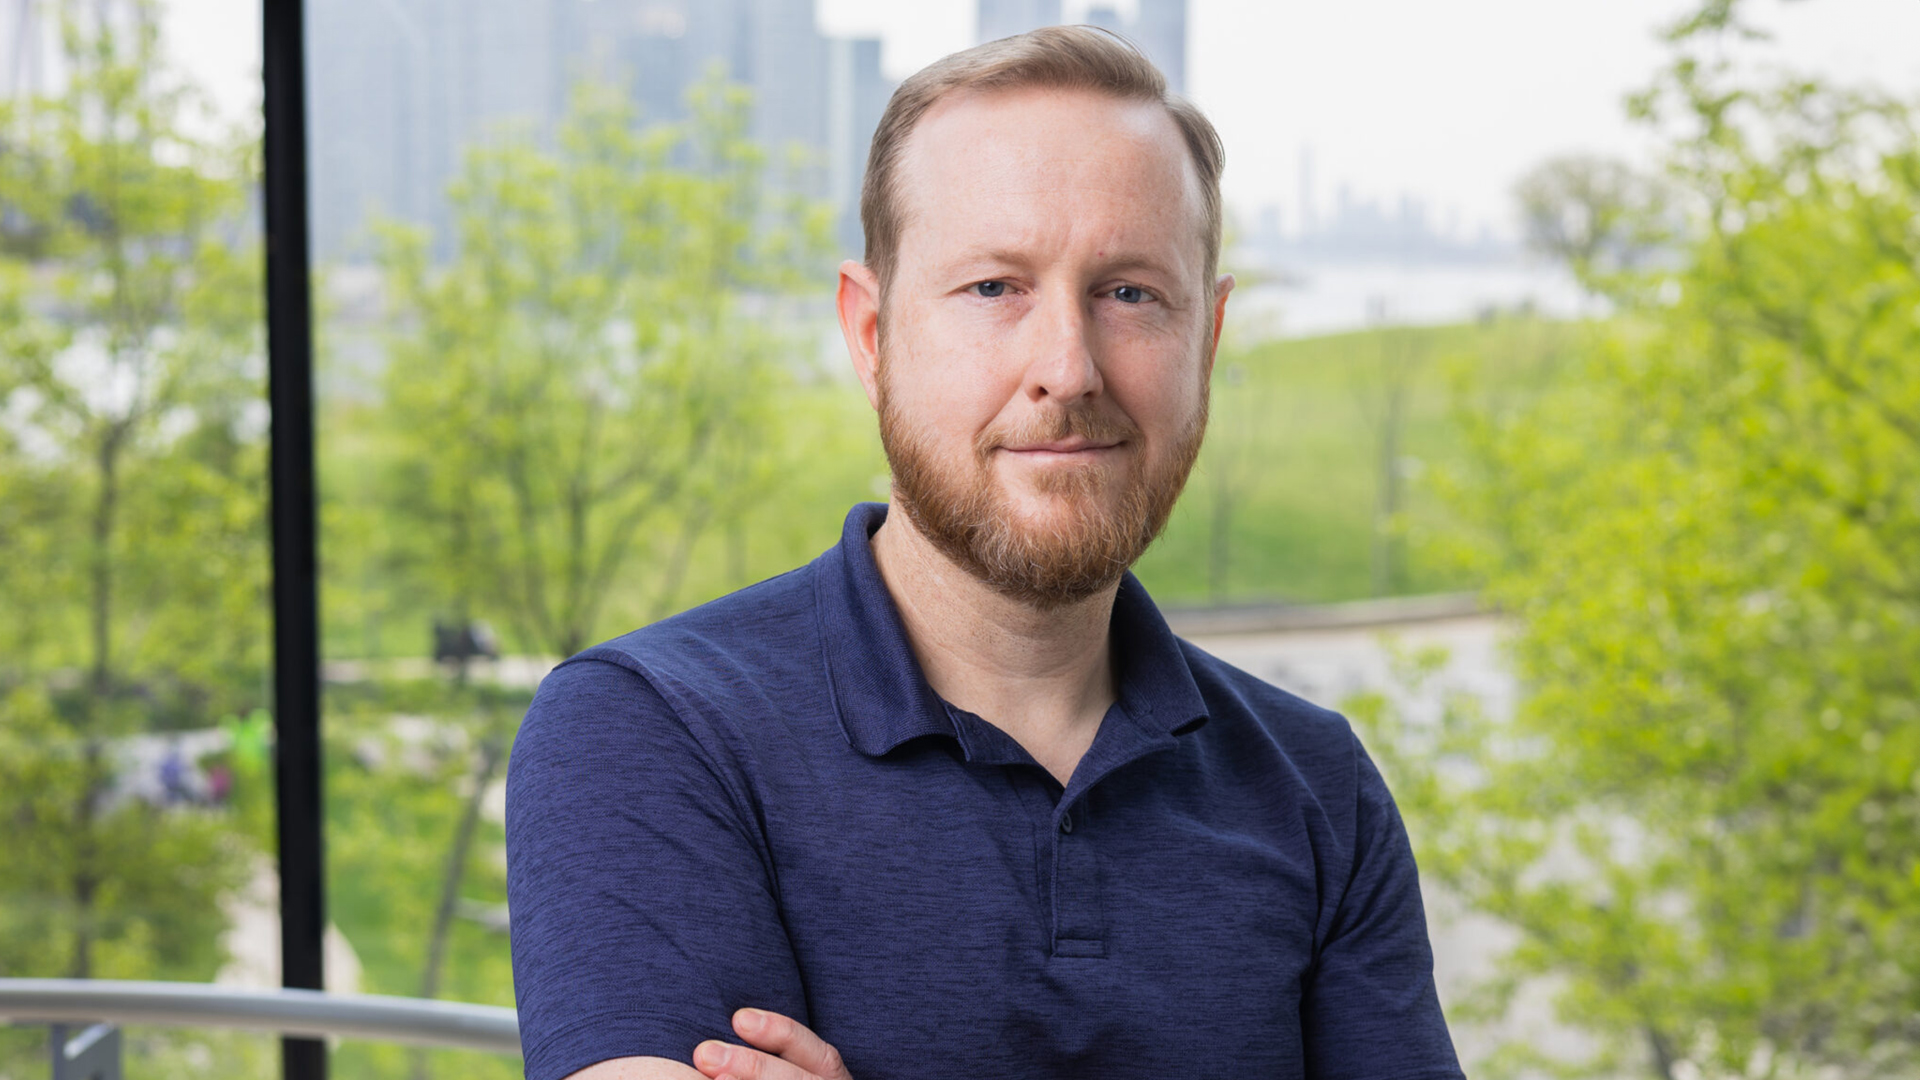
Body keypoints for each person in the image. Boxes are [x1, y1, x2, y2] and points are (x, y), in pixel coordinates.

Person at [506, 26, 1464, 1080]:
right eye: (995, 288)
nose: (1068, 367)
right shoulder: (650, 731)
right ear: (872, 336)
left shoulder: (1319, 786)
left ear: (1208, 339)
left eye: (1130, 293)